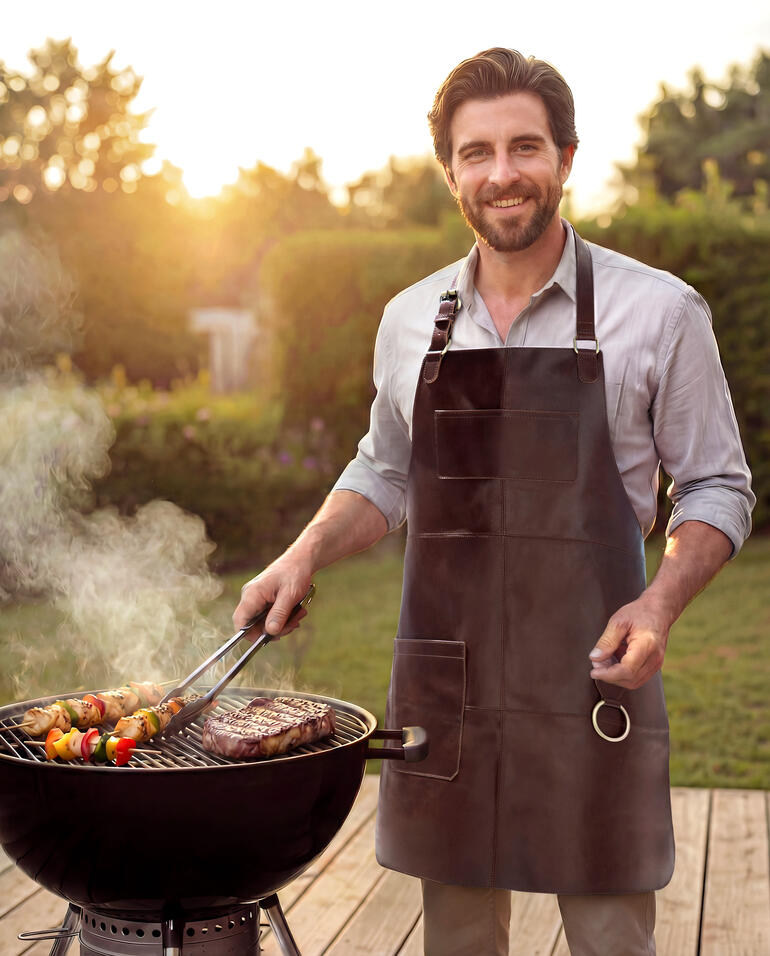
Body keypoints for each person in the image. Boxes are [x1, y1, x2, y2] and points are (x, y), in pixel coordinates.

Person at [235, 48, 754, 956]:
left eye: (525, 147)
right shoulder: (409, 320)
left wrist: (658, 600)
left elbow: (716, 482)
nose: (502, 174)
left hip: (595, 676)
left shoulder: (660, 313)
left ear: (565, 158)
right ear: (450, 172)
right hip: (451, 687)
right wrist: (304, 552)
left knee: (607, 933)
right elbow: (385, 471)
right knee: (461, 939)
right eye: (477, 153)